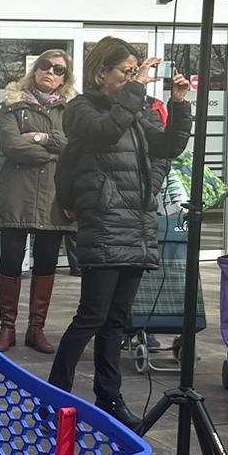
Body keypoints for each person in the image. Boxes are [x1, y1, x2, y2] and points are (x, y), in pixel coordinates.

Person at [47, 38, 191, 429]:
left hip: (136, 225)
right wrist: (136, 90)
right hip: (106, 223)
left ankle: (109, 397)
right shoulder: (81, 109)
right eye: (126, 72)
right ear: (100, 74)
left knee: (116, 321)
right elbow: (107, 132)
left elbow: (168, 146)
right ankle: (55, 394)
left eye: (135, 72)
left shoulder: (138, 109)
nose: (134, 78)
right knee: (90, 317)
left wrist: (179, 104)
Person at [0, 49, 77, 353]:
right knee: (11, 260)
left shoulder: (71, 109)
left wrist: (40, 138)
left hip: (54, 196)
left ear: (65, 77)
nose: (50, 72)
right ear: (35, 69)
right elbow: (12, 145)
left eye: (58, 69)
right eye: (45, 66)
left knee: (45, 263)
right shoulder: (13, 103)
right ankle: (7, 328)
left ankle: (36, 329)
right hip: (18, 194)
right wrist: (54, 151)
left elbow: (74, 146)